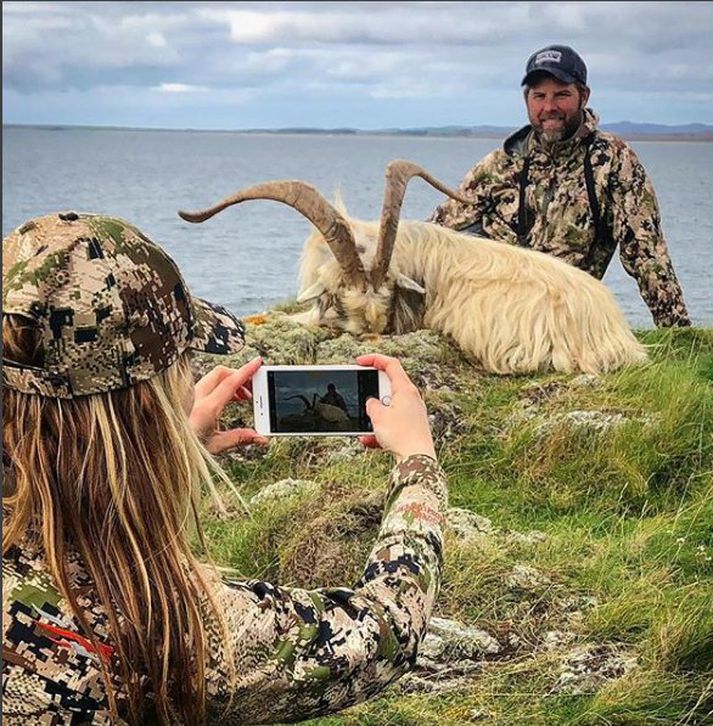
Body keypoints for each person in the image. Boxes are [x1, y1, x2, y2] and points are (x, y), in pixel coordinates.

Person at [2, 212, 447, 724]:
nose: (189, 381)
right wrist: (417, 461)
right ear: (148, 402)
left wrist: (167, 450)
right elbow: (384, 633)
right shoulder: (160, 621)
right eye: (180, 367)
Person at [429, 44, 691, 328]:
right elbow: (437, 232)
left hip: (562, 318)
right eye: (538, 96)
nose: (548, 107)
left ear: (583, 96)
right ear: (526, 99)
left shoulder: (612, 162)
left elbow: (647, 254)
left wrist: (678, 334)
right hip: (490, 315)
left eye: (562, 95)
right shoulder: (502, 164)